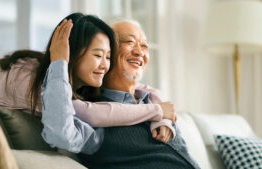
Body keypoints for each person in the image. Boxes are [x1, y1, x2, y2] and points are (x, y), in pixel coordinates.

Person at [0, 13, 175, 144]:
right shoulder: (30, 79)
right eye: (98, 55)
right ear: (71, 53)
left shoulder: (80, 87)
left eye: (108, 57)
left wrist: (162, 114)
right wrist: (59, 63)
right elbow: (65, 133)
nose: (104, 65)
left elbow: (143, 88)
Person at [76, 20, 201, 168]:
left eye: (144, 46)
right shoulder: (90, 116)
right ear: (106, 51)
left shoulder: (154, 100)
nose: (139, 52)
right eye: (129, 42)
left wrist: (162, 115)